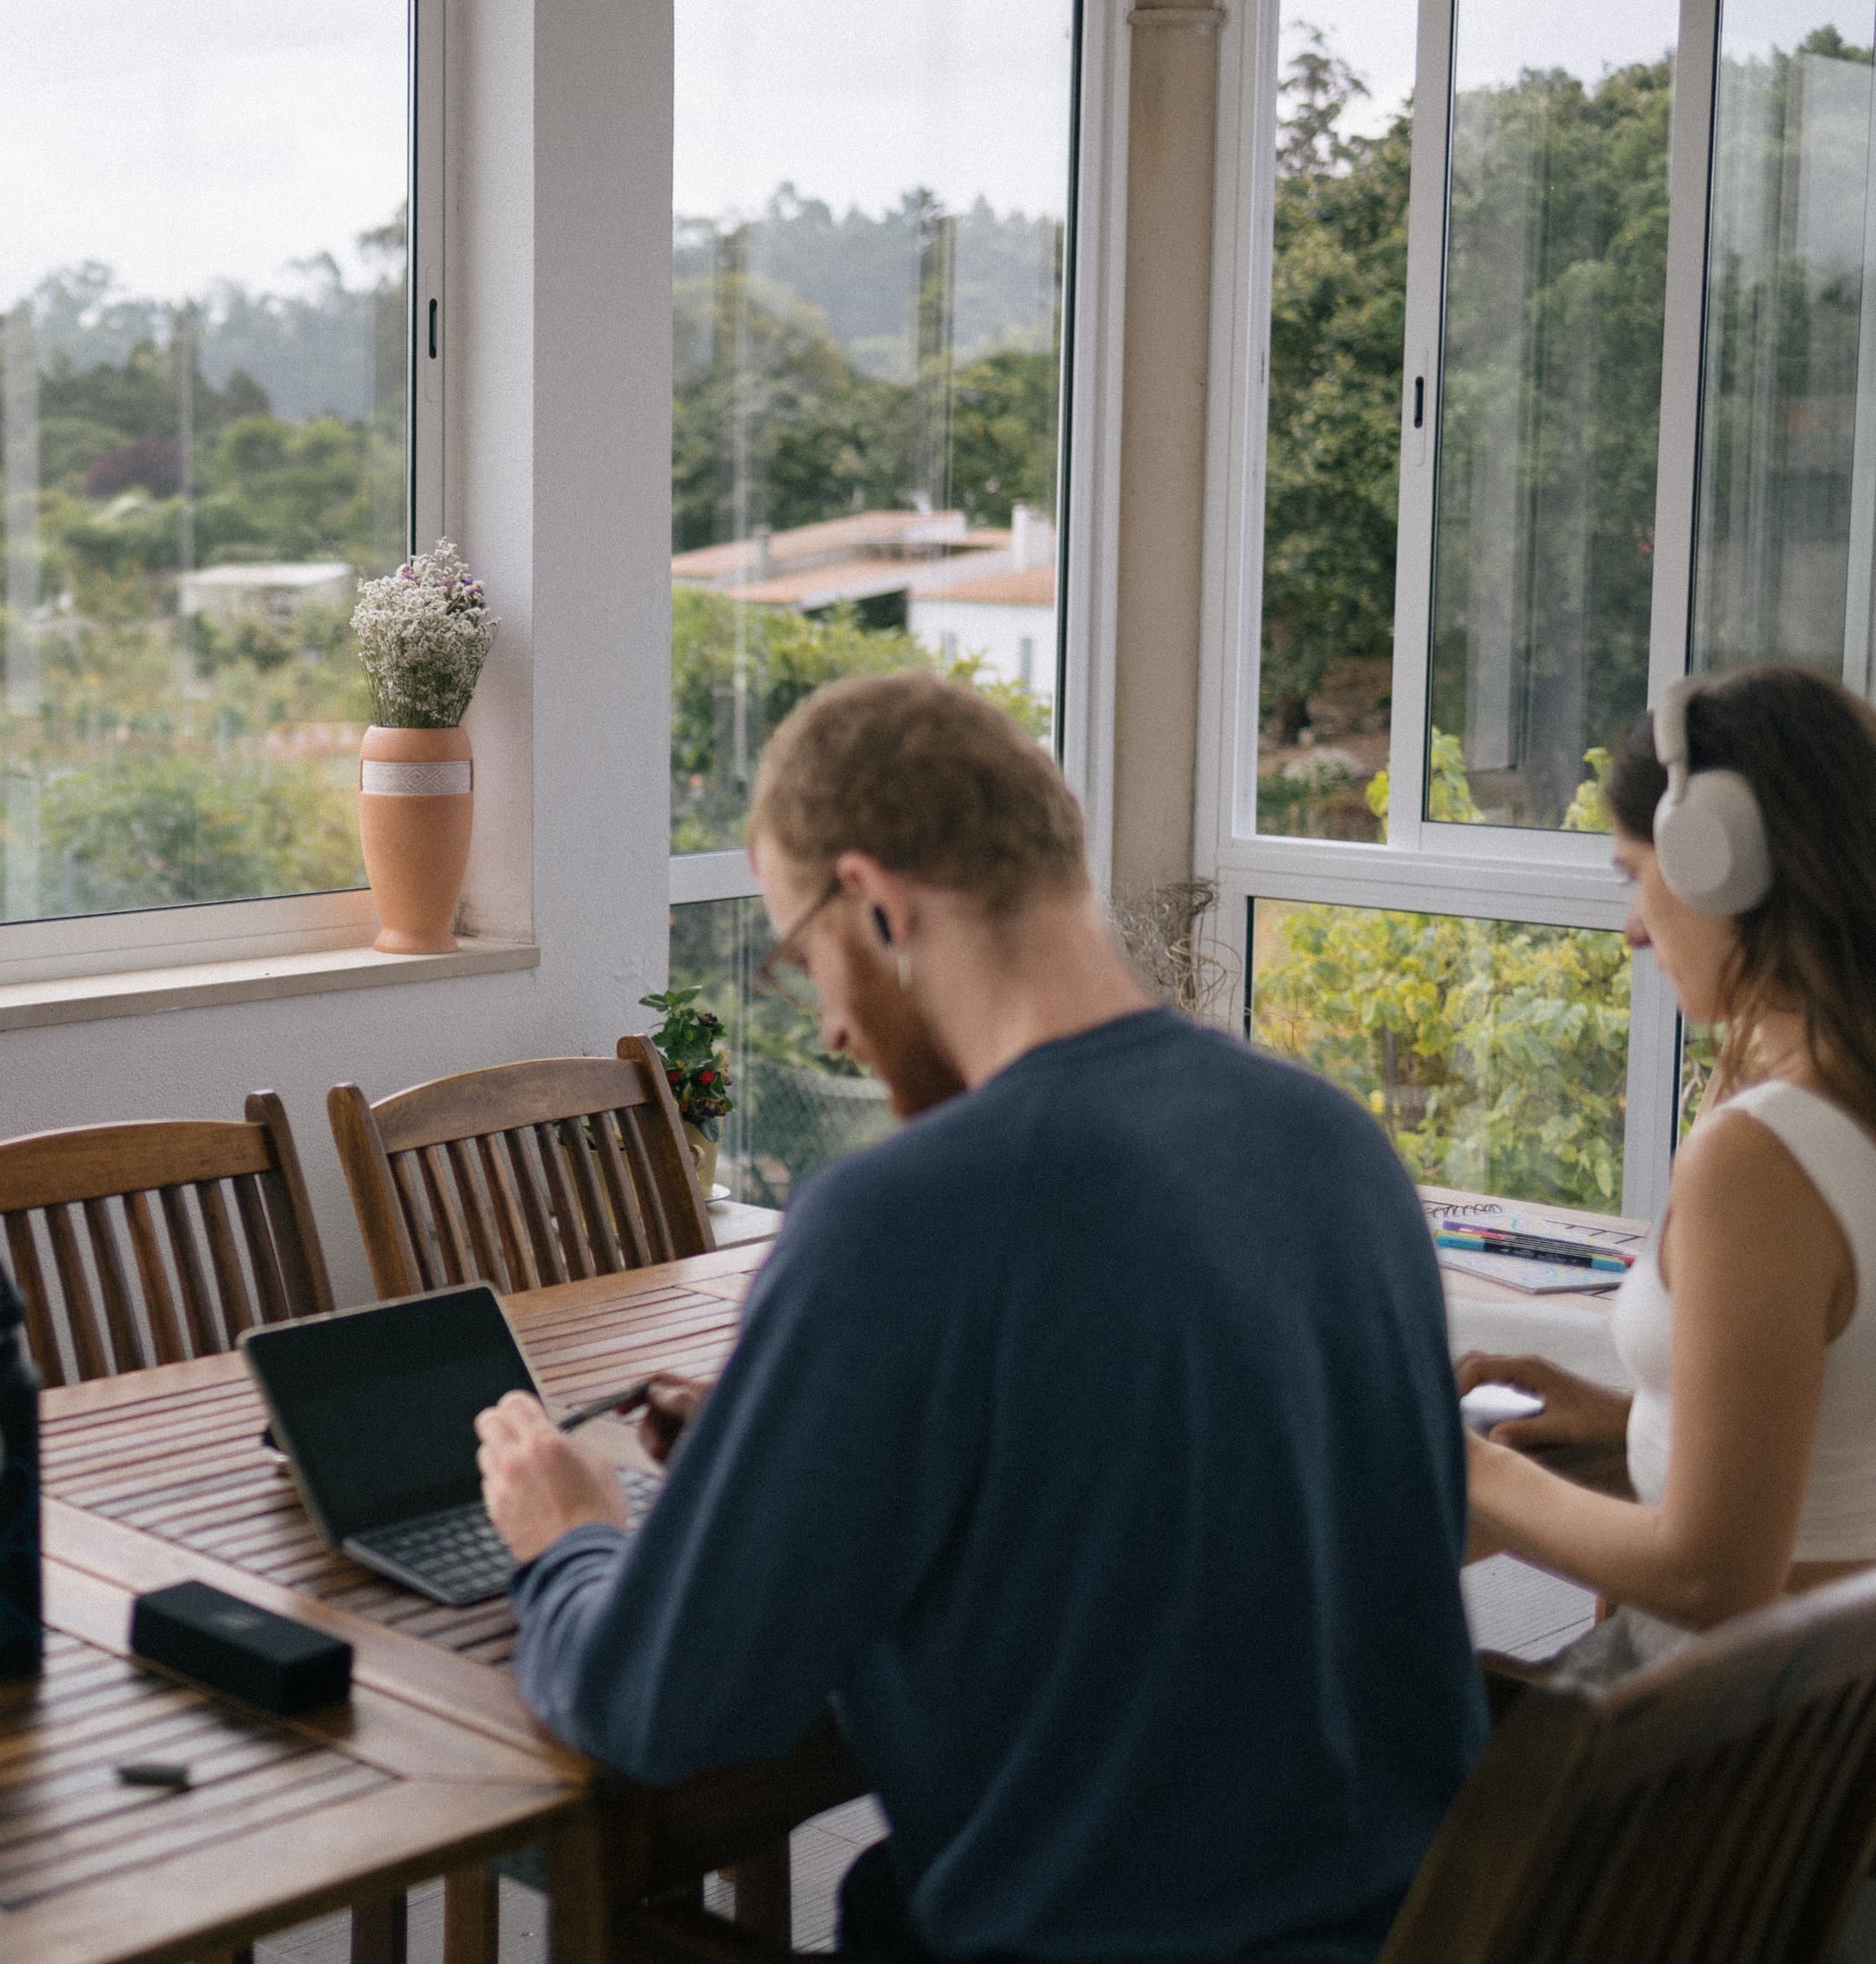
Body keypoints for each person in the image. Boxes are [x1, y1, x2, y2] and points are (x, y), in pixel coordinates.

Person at [475, 672, 1486, 1963]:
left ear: (880, 904)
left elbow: (655, 1705)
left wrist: (565, 1538)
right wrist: (818, 1444)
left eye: (804, 960)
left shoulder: (900, 1220)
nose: (832, 1031)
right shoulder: (1335, 1147)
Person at [1459, 663, 1876, 1678]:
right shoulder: (1847, 1111)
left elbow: (1712, 1576)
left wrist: (1467, 1470)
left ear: (1716, 863)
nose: (1634, 927)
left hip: (1725, 1764)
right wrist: (1638, 1413)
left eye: (1635, 876)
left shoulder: (1765, 1159)